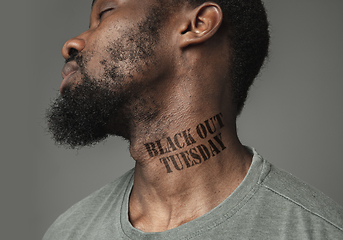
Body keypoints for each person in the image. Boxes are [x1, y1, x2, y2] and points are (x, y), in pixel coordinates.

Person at [43, 0, 343, 239]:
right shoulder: (70, 232)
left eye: (106, 13)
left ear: (197, 24)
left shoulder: (318, 231)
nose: (71, 44)